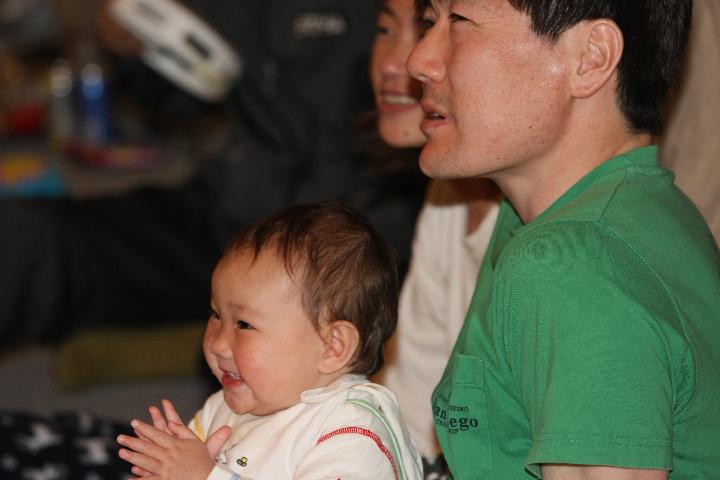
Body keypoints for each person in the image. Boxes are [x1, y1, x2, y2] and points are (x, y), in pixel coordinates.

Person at [0, 0, 427, 349]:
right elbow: (184, 97)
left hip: (360, 232)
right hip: (232, 213)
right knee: (28, 235)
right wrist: (130, 51)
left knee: (260, 366)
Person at [408, 0, 720, 478]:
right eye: (430, 22)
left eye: (462, 21)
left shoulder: (571, 261)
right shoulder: (630, 208)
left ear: (590, 57)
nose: (419, 60)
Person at [116, 202, 424, 480]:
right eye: (216, 315)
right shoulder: (224, 407)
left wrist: (205, 475)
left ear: (332, 347)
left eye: (244, 324)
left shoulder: (353, 435)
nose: (218, 344)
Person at [368, 0, 500, 476]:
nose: (402, 62)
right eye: (385, 30)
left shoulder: (548, 225)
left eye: (427, 28)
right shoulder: (448, 190)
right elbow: (411, 401)